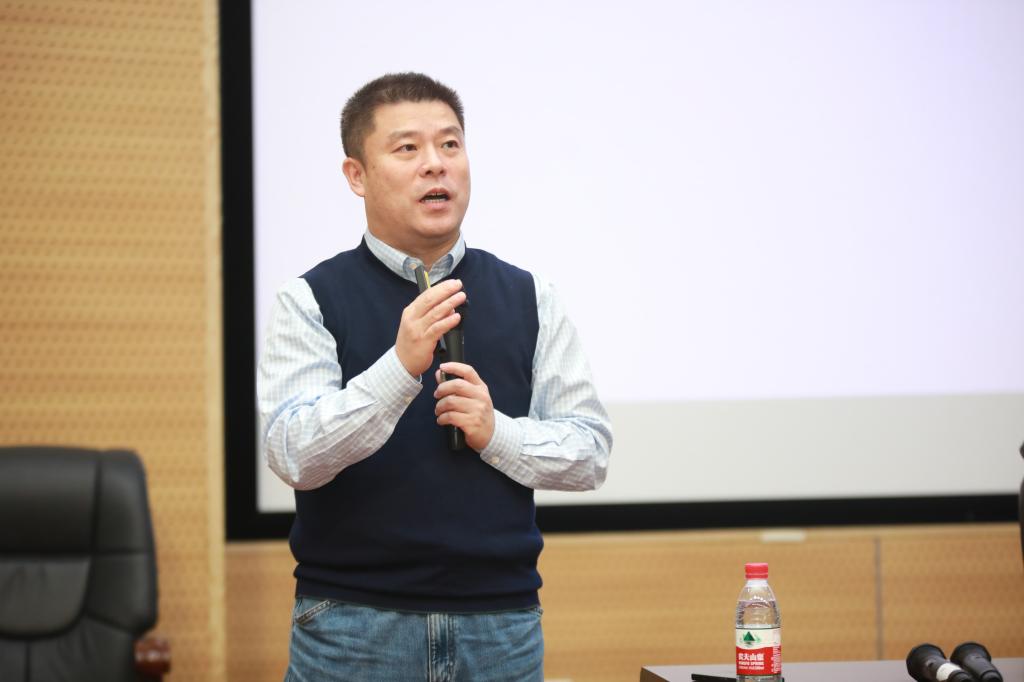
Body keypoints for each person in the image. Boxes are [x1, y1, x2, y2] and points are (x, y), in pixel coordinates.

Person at [258, 72, 612, 682]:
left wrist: (496, 433)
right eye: (407, 148)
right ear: (357, 175)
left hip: (500, 626)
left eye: (450, 144)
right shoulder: (310, 299)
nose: (435, 164)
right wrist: (398, 369)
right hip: (353, 626)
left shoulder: (531, 296)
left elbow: (590, 453)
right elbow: (294, 454)